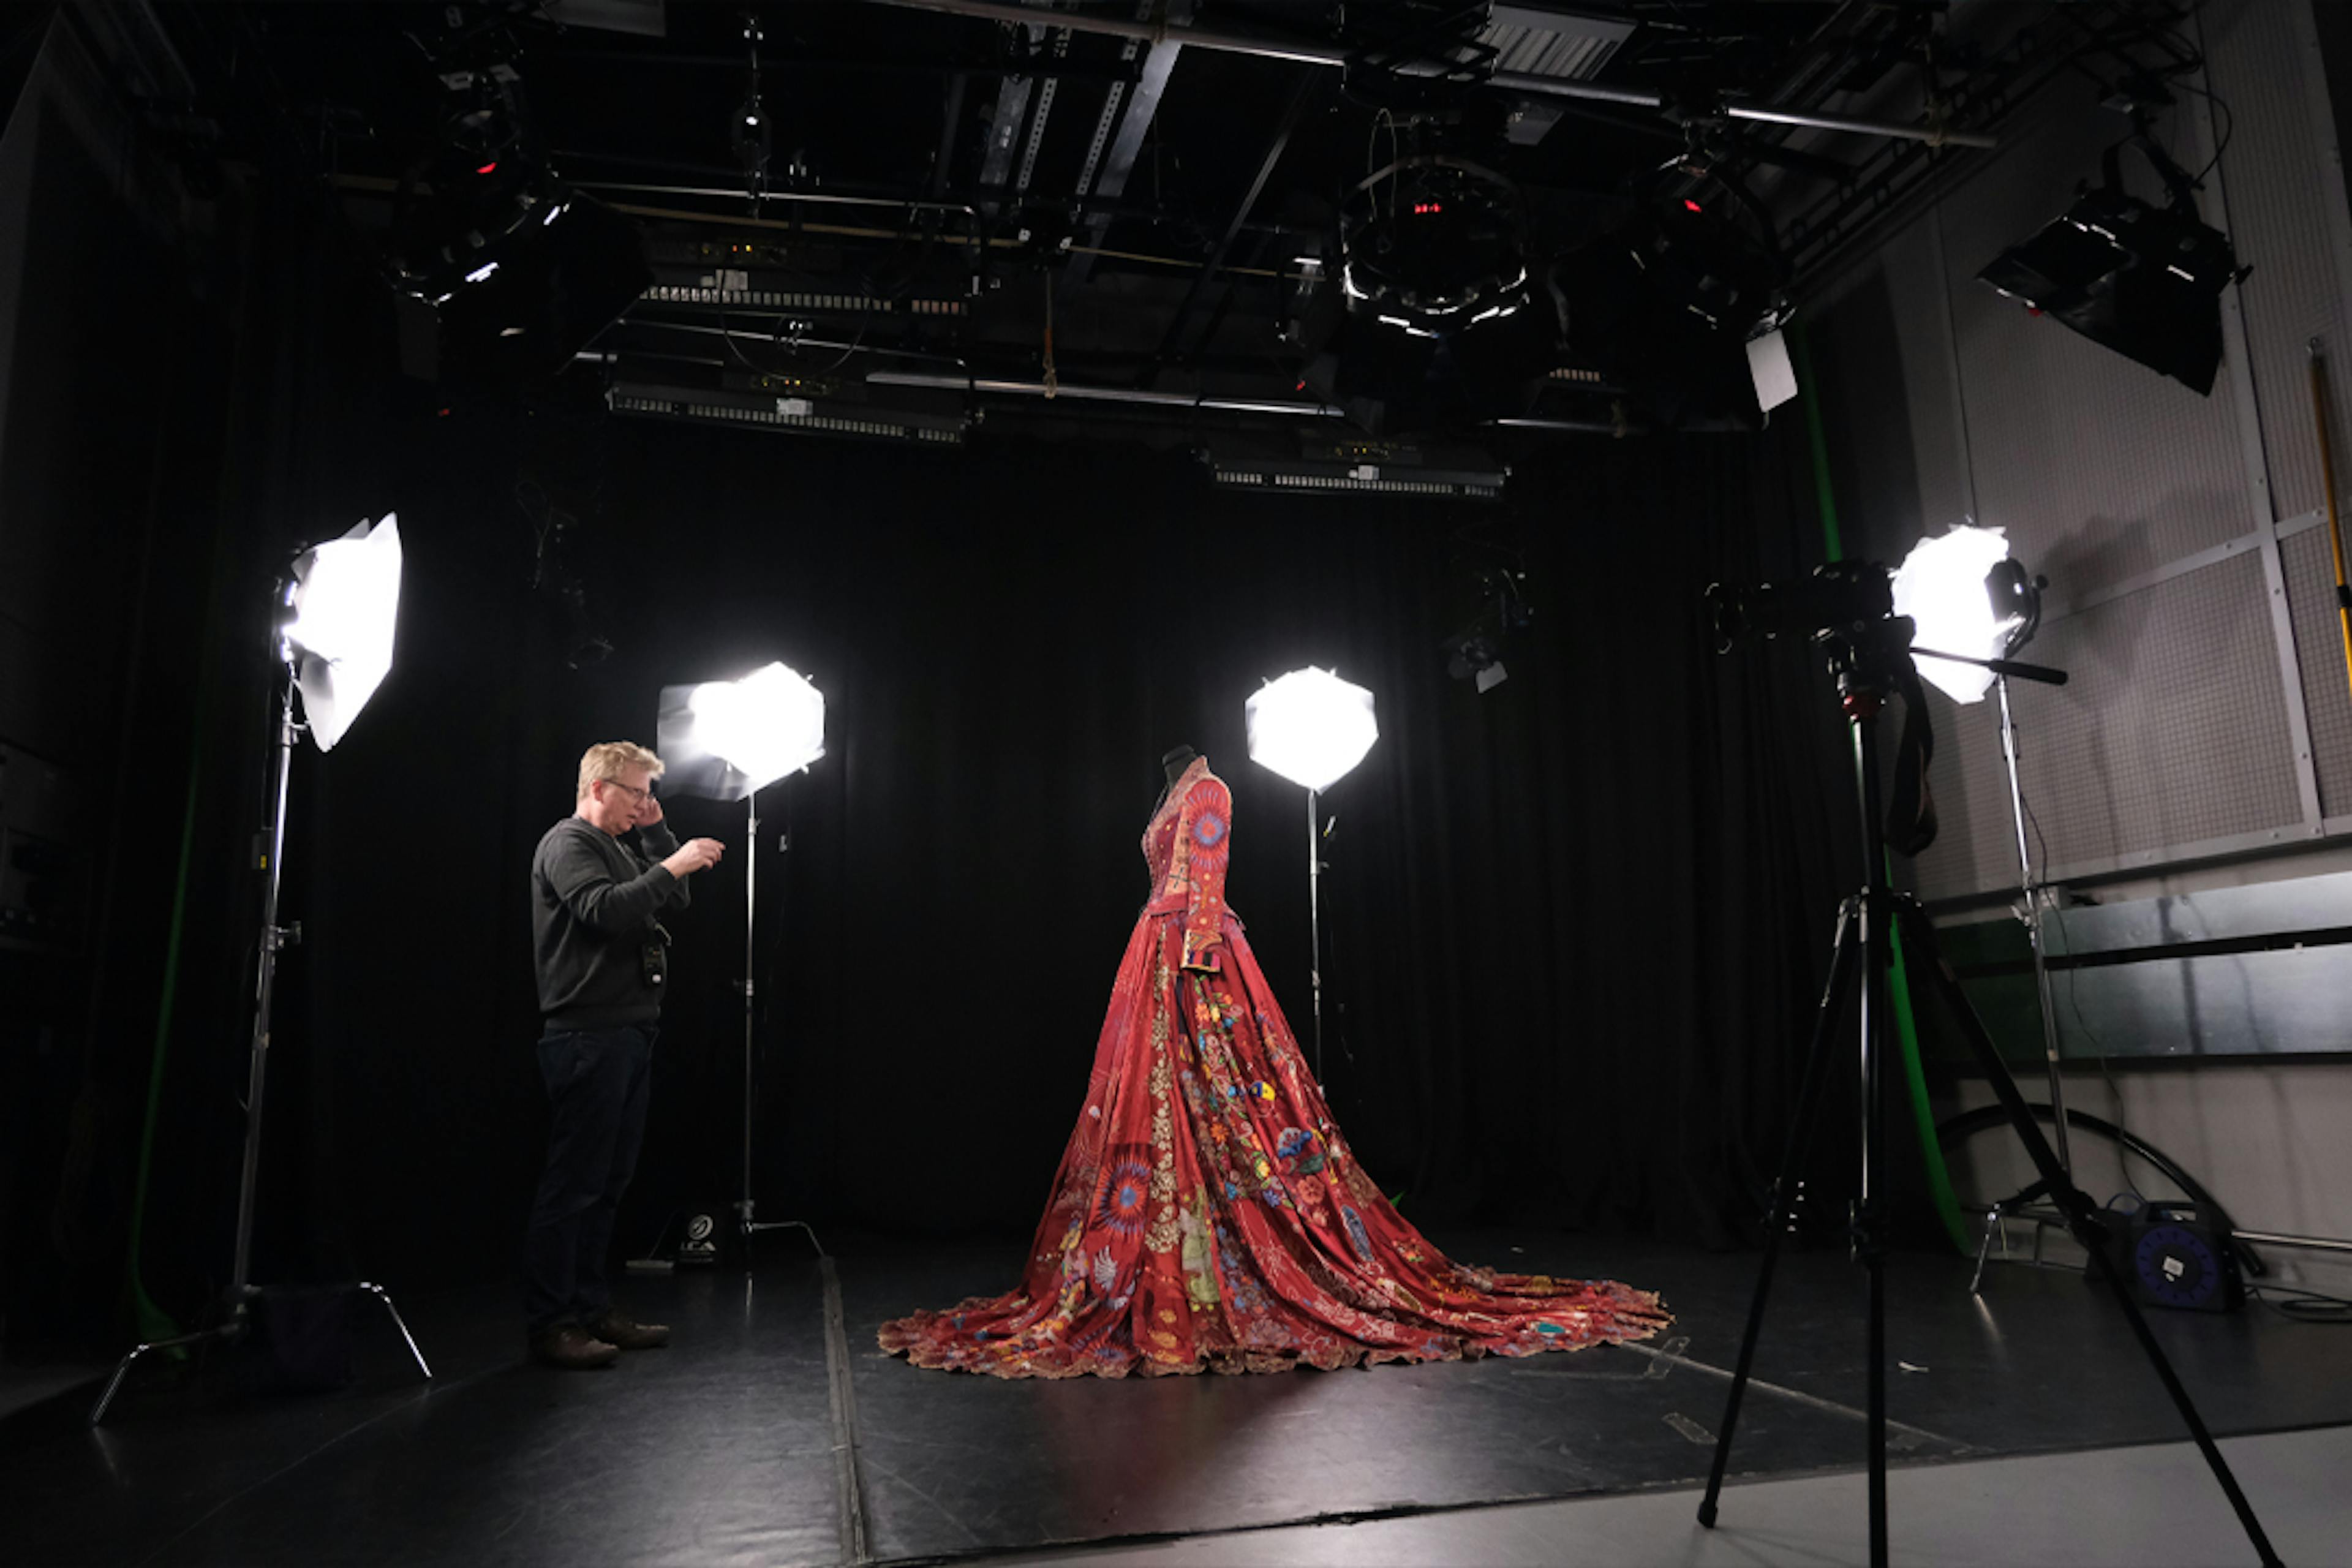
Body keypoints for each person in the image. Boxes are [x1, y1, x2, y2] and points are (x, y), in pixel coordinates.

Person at [880, 747, 1670, 1377]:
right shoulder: (1173, 788)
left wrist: (1195, 966)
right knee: (1151, 1117)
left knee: (1224, 1110)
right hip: (1153, 959)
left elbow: (1208, 879)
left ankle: (1228, 1263)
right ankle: (1157, 1259)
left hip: (1194, 959)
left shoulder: (1211, 788)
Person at [524, 741, 726, 1370]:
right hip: (587, 1035)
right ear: (599, 788)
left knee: (609, 1183)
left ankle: (590, 1307)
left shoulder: (623, 844)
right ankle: (554, 1321)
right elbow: (603, 911)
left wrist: (662, 836)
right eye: (636, 792)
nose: (644, 803)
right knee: (575, 1186)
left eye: (649, 794)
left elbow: (675, 899)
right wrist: (675, 862)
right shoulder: (568, 843)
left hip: (630, 1032)